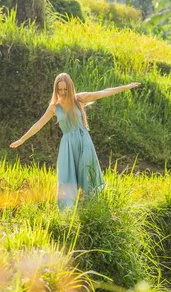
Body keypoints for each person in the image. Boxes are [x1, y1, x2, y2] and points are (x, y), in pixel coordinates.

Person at [10, 73, 141, 210]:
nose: (62, 92)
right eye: (59, 89)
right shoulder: (54, 106)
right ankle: (67, 211)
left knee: (86, 172)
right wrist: (22, 139)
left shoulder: (79, 99)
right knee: (66, 175)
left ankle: (90, 206)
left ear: (70, 87)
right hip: (67, 144)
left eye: (65, 89)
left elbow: (103, 92)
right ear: (56, 89)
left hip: (84, 141)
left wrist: (126, 86)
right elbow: (39, 124)